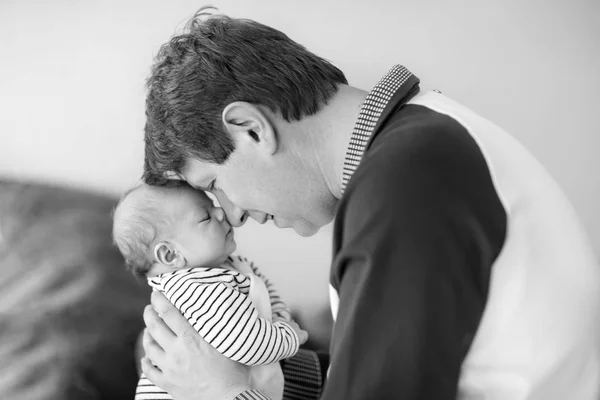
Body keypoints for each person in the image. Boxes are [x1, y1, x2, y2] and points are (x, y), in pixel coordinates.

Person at [138, 7, 600, 400]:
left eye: (215, 185)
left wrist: (223, 392)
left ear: (251, 128)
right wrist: (250, 374)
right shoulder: (426, 135)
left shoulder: (406, 189)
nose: (232, 215)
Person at [112, 183, 308, 400]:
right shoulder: (196, 290)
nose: (221, 213)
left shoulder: (229, 267)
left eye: (214, 205)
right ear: (170, 255)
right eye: (205, 217)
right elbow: (246, 344)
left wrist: (281, 318)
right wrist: (289, 337)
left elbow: (265, 293)